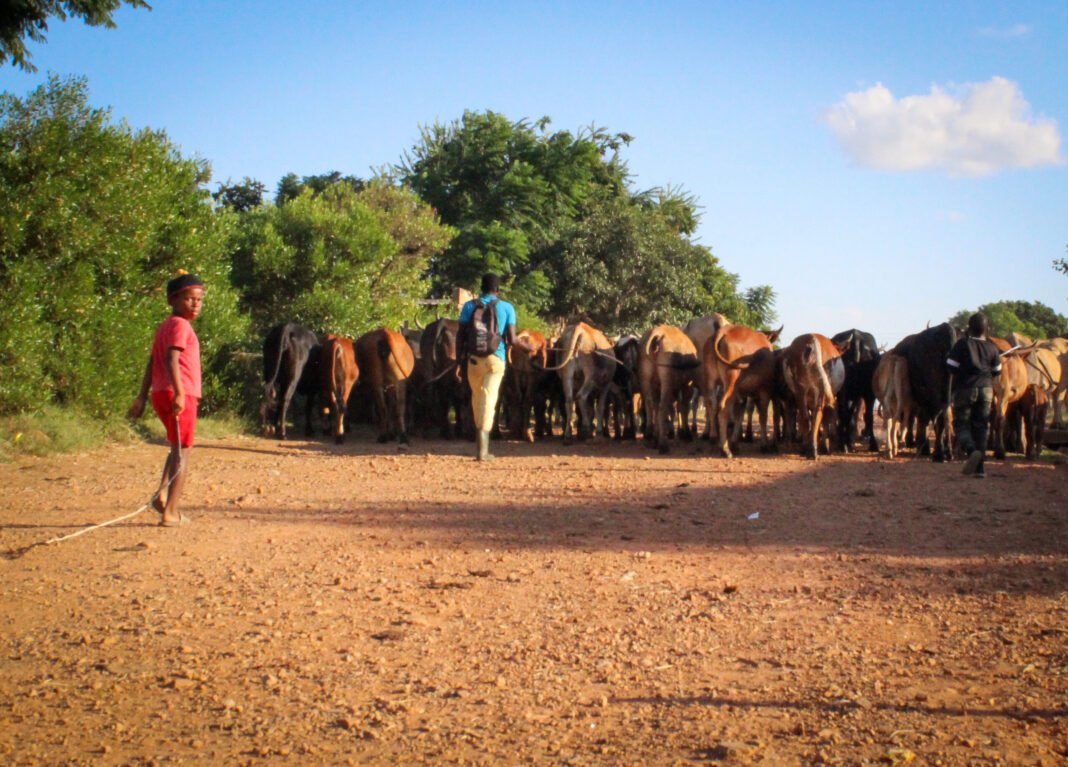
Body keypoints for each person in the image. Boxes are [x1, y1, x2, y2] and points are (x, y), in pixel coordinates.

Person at [127, 272, 205, 525]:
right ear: (173, 300)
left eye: (199, 299)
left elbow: (152, 362)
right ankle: (171, 512)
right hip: (180, 393)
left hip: (161, 392)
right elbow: (171, 358)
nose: (195, 304)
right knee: (183, 452)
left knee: (176, 447)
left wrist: (142, 397)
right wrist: (180, 393)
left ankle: (161, 497)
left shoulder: (165, 326)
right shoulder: (181, 326)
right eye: (189, 299)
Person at [459, 273, 533, 461]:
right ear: (498, 290)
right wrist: (528, 348)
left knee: (477, 399)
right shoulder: (506, 307)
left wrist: (459, 361)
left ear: (481, 288)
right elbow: (513, 339)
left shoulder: (469, 306)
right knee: (489, 400)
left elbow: (460, 336)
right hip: (496, 360)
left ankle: (480, 446)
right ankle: (483, 452)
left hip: (473, 360)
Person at [946, 313, 1002, 478]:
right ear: (986, 329)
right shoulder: (992, 347)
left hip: (966, 389)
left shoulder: (962, 344)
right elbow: (997, 371)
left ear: (969, 328)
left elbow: (950, 366)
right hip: (987, 390)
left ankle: (971, 450)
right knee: (981, 427)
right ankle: (980, 469)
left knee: (961, 424)